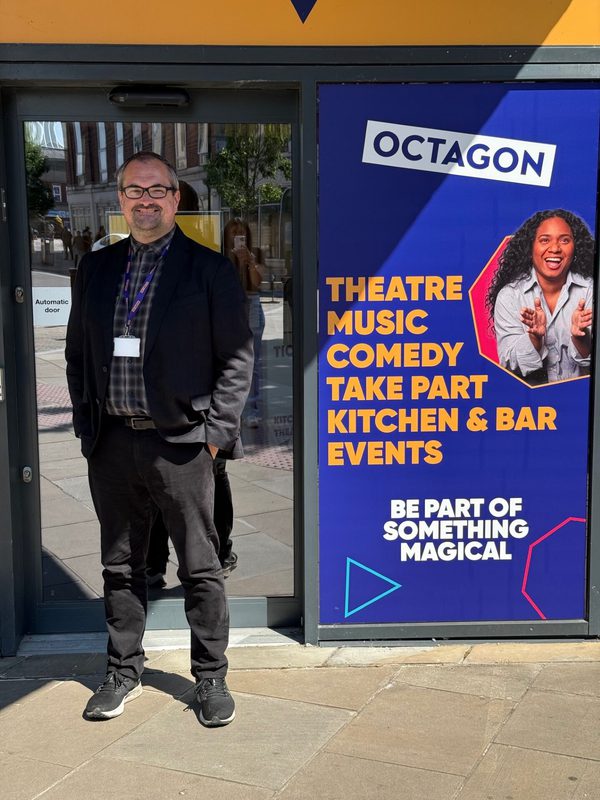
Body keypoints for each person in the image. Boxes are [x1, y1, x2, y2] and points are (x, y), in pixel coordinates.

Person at [65, 151, 253, 727]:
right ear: (120, 200)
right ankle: (123, 670)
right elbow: (78, 356)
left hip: (182, 444)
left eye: (156, 190)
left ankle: (211, 678)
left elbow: (236, 360)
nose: (144, 200)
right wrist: (85, 426)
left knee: (200, 566)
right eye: (133, 191)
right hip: (114, 442)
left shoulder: (209, 270)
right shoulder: (96, 269)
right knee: (120, 565)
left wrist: (215, 436)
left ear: (175, 198)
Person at [145, 180, 238, 586]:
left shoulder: (211, 263)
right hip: (154, 409)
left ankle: (215, 554)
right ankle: (154, 562)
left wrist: (219, 428)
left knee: (209, 481)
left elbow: (239, 347)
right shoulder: (138, 262)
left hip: (201, 411)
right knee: (154, 487)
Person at [487, 209, 594, 385]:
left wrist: (581, 337)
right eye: (545, 240)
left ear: (576, 247)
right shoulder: (510, 296)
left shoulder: (590, 290)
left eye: (565, 240)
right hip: (533, 407)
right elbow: (509, 365)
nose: (555, 248)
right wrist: (534, 339)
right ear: (530, 248)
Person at [223, 218, 264, 427]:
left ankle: (252, 409)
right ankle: (230, 411)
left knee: (253, 362)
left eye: (242, 232)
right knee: (228, 360)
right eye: (234, 233)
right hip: (228, 307)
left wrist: (249, 261)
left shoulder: (254, 252)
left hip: (251, 303)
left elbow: (257, 284)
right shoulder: (219, 256)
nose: (238, 237)